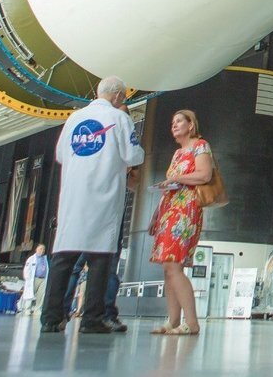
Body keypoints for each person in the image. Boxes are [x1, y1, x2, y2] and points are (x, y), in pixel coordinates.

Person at [41, 76, 144, 336]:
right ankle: (92, 319)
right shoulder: (120, 118)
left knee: (63, 258)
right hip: (104, 195)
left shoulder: (74, 119)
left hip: (74, 197)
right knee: (100, 259)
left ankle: (51, 319)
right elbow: (133, 155)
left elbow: (61, 155)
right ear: (119, 96)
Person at [149, 109, 215, 335]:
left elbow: (204, 175)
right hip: (169, 209)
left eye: (179, 121)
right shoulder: (177, 154)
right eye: (172, 122)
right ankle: (174, 320)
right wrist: (157, 214)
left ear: (191, 125)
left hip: (186, 209)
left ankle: (192, 322)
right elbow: (171, 184)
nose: (174, 125)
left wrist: (177, 178)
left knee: (174, 264)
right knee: (168, 267)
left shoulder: (200, 145)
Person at [19, 245, 47, 315]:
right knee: (30, 294)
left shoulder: (45, 259)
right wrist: (27, 278)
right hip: (34, 279)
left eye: (43, 249)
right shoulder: (31, 259)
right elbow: (27, 269)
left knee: (41, 295)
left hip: (43, 279)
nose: (42, 250)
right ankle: (27, 309)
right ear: (36, 249)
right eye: (40, 249)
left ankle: (37, 309)